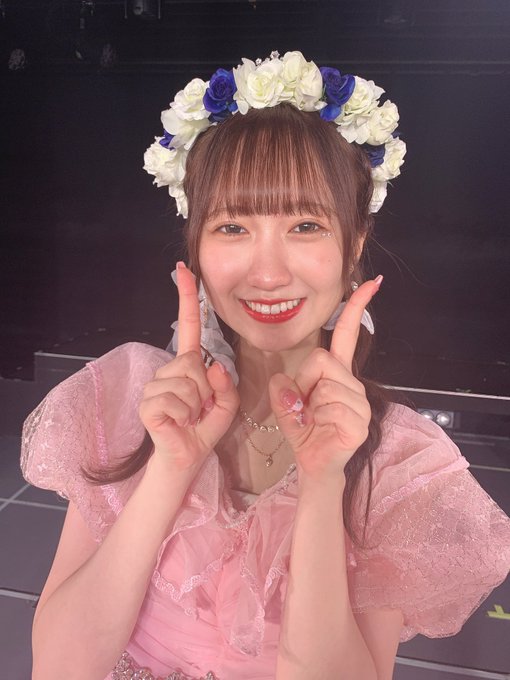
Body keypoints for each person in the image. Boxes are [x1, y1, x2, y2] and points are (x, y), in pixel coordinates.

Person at [21, 51, 510, 680]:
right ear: (195, 245)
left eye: (305, 225)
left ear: (355, 244)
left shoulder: (398, 464)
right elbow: (59, 667)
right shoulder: (126, 397)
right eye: (232, 227)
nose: (269, 272)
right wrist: (169, 468)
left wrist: (323, 482)